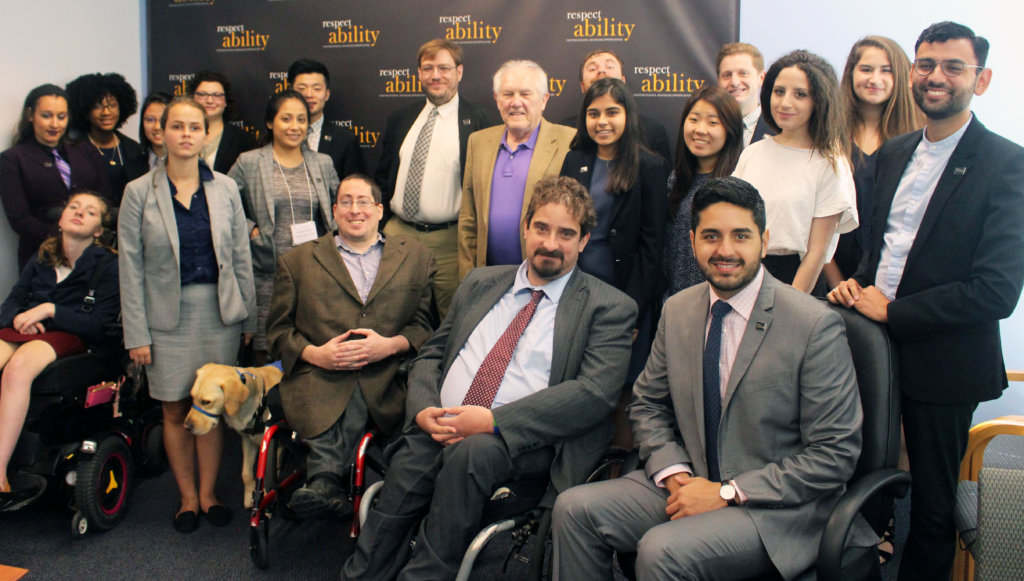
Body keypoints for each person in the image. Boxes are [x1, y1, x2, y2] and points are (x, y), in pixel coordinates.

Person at [552, 176, 872, 580]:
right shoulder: (679, 309)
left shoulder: (813, 324)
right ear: (692, 241)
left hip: (776, 508)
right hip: (693, 477)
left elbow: (835, 453)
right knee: (574, 510)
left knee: (661, 551)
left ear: (765, 239)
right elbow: (648, 403)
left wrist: (727, 492)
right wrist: (675, 473)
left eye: (741, 236)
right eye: (711, 236)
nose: (725, 250)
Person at [342, 176, 636, 580]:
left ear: (583, 241)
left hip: (522, 443)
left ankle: (426, 575)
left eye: (566, 233)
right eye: (542, 228)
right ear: (525, 228)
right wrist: (426, 408)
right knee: (414, 456)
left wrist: (493, 421)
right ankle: (361, 575)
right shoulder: (481, 282)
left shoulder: (610, 307)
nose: (551, 242)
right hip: (441, 424)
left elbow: (594, 395)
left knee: (472, 452)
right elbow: (431, 355)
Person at [829, 22, 1024, 581]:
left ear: (980, 81)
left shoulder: (1006, 163)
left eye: (952, 67)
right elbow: (879, 254)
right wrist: (855, 286)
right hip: (870, 350)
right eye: (925, 64)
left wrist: (893, 311)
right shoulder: (892, 154)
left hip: (944, 362)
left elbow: (996, 291)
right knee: (858, 490)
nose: (935, 76)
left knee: (932, 510)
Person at [118, 97, 256, 533]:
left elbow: (240, 257)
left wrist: (247, 319)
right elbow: (130, 267)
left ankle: (211, 493)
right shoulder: (138, 191)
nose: (185, 135)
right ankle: (187, 498)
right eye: (176, 126)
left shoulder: (226, 188)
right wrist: (136, 333)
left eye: (194, 127)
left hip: (218, 314)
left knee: (209, 407)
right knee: (175, 410)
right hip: (163, 319)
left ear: (206, 133)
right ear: (161, 132)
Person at [266, 174, 435, 518]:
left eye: (363, 202)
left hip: (386, 373)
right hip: (315, 376)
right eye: (346, 202)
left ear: (379, 210)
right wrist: (316, 354)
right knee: (347, 385)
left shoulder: (416, 257)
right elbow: (277, 333)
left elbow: (426, 327)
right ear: (334, 211)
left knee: (362, 381)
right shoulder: (296, 262)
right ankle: (328, 482)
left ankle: (326, 478)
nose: (354, 210)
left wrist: (390, 346)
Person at [0, 192, 119, 510]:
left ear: (98, 229)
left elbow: (98, 325)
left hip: (73, 336)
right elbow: (13, 301)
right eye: (74, 207)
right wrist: (18, 319)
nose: (80, 212)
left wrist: (49, 310)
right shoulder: (42, 257)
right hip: (28, 331)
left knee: (18, 367)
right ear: (62, 218)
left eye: (90, 211)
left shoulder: (108, 264)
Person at [375, 39, 495, 318]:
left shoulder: (479, 120)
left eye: (444, 67)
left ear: (459, 72)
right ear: (418, 73)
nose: (436, 75)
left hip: (450, 241)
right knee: (389, 313)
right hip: (398, 234)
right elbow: (383, 174)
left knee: (453, 318)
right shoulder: (400, 118)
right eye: (428, 68)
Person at [228, 90, 340, 364]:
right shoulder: (250, 162)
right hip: (267, 272)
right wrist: (250, 229)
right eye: (286, 119)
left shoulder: (322, 163)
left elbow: (339, 207)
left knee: (311, 349)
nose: (295, 127)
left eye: (301, 120)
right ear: (270, 123)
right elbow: (222, 204)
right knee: (265, 352)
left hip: (314, 274)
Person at [733, 50, 857, 294]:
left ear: (819, 100)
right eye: (779, 91)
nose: (785, 102)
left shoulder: (829, 163)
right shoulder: (754, 152)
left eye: (800, 94)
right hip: (745, 272)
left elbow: (817, 252)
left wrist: (791, 307)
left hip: (797, 280)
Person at [458, 60, 576, 279]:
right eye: (508, 94)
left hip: (546, 277)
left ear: (544, 100)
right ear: (497, 99)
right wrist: (468, 278)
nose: (516, 102)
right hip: (488, 275)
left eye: (525, 94)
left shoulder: (569, 141)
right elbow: (468, 219)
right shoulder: (478, 142)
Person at [823, 36, 920, 287]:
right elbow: (815, 221)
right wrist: (839, 285)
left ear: (901, 76)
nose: (874, 79)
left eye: (886, 71)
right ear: (851, 73)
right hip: (831, 278)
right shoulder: (826, 136)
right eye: (866, 69)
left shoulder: (921, 138)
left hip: (897, 284)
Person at [1, 84, 112, 269]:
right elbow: (20, 219)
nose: (55, 124)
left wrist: (87, 235)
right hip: (42, 257)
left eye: (61, 117)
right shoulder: (12, 159)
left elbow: (106, 198)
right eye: (46, 116)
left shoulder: (85, 150)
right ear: (30, 115)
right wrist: (66, 238)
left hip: (91, 255)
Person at [663, 85, 744, 297]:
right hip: (674, 301)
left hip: (721, 299)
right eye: (694, 119)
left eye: (713, 122)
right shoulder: (676, 179)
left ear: (731, 130)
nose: (700, 129)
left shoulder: (739, 182)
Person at [560, 50, 672, 163]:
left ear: (623, 82)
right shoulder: (563, 130)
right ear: (582, 86)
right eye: (592, 69)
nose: (601, 71)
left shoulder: (653, 131)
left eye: (609, 66)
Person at [65, 72, 145, 199]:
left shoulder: (134, 149)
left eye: (112, 105)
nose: (106, 112)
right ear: (86, 111)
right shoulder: (73, 150)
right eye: (98, 106)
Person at [287, 58, 365, 180]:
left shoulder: (345, 140)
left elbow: (354, 187)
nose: (309, 94)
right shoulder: (277, 136)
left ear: (327, 94)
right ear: (291, 93)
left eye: (316, 89)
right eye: (301, 89)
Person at [187, 70, 254, 174]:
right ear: (192, 98)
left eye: (217, 95)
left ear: (226, 100)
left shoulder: (242, 139)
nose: (209, 100)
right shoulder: (182, 134)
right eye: (203, 95)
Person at [717, 42, 775, 148]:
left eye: (743, 73)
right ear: (718, 80)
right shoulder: (706, 130)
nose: (734, 82)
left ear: (761, 78)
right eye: (727, 75)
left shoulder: (779, 130)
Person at [133, 92, 173, 173]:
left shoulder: (189, 164)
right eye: (150, 120)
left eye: (163, 120)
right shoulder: (131, 167)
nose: (157, 127)